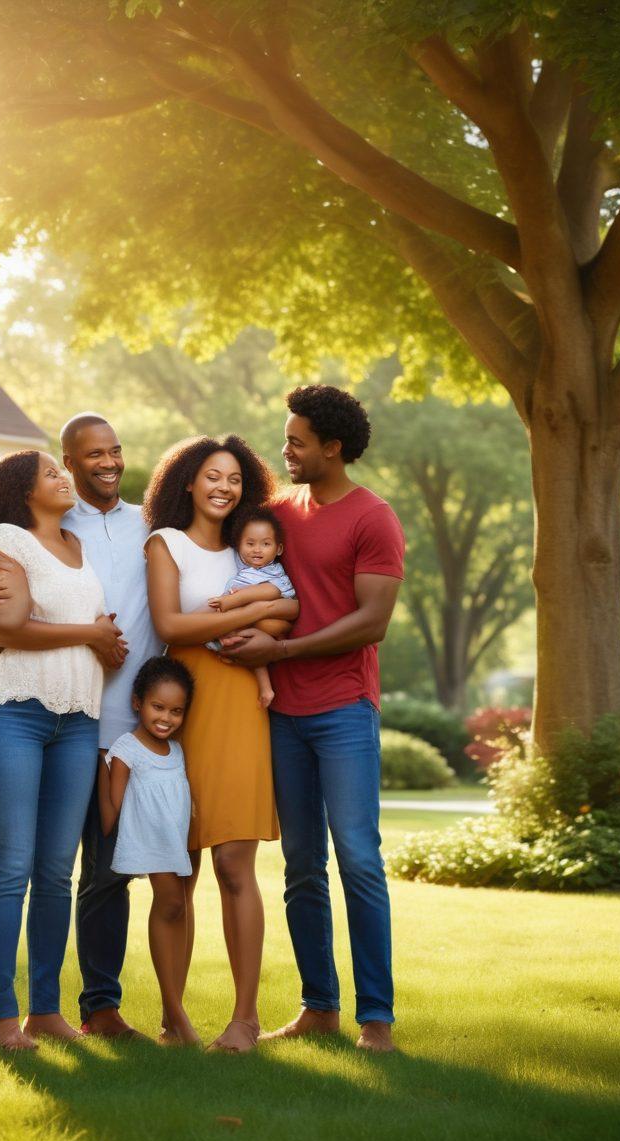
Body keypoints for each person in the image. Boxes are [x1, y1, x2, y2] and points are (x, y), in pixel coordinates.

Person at [221, 385, 405, 1053]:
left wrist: (282, 651)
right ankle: (319, 1006)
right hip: (281, 714)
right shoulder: (277, 515)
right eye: (286, 438)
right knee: (301, 864)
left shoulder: (373, 518)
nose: (286, 450)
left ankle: (376, 1018)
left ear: (333, 447)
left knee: (357, 858)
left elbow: (372, 621)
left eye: (297, 441)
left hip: (344, 709)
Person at [0, 414, 161, 1040]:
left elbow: (80, 623)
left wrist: (104, 643)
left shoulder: (77, 549)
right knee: (12, 869)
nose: (62, 478)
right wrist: (91, 635)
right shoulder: (8, 537)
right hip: (17, 713)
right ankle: (3, 1019)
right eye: (52, 471)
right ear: (24, 489)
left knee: (57, 873)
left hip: (79, 721)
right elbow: (4, 626)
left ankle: (47, 1011)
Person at [143, 435, 298, 1052]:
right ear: (188, 480)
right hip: (179, 708)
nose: (224, 488)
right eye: (213, 475)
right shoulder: (166, 543)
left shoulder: (251, 549)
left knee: (234, 864)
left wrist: (254, 608)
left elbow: (288, 613)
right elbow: (170, 625)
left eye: (234, 478)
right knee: (175, 873)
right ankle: (174, 1020)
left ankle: (245, 1020)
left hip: (239, 705)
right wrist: (249, 610)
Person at [99, 656, 199, 1047]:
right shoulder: (127, 748)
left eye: (176, 711)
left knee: (178, 907)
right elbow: (111, 814)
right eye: (158, 707)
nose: (166, 718)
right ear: (138, 703)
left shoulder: (177, 750)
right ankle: (176, 1015)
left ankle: (172, 1017)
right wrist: (101, 765)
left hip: (174, 842)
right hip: (150, 842)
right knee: (170, 903)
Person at [206, 507, 297, 708]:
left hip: (272, 618)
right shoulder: (242, 563)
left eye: (266, 544)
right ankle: (265, 687)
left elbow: (271, 591)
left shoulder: (273, 570)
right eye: (250, 544)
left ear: (278, 549)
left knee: (252, 621)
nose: (257, 550)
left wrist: (232, 600)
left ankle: (231, 641)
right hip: (250, 622)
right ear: (239, 546)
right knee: (245, 642)